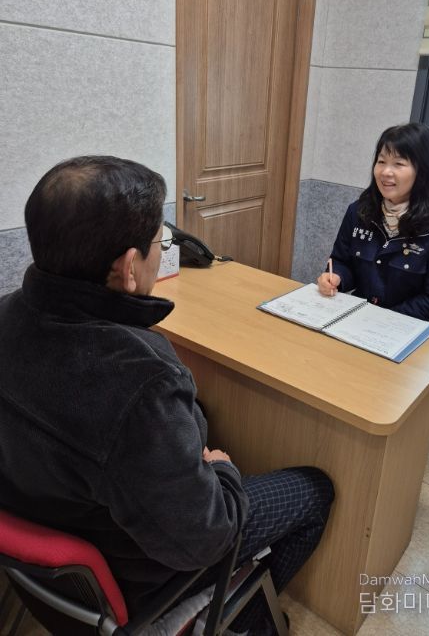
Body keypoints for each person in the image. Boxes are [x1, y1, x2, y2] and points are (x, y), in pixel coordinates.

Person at [0, 156, 334, 636]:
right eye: (162, 242)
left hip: (52, 557)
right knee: (315, 490)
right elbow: (207, 539)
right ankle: (243, 619)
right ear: (128, 267)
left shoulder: (7, 314)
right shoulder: (140, 381)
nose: (164, 252)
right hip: (136, 573)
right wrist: (223, 471)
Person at [317, 123, 429, 327]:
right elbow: (341, 260)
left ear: (423, 170)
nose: (386, 172)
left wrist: (378, 320)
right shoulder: (360, 211)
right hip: (359, 321)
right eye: (381, 162)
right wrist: (336, 276)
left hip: (409, 328)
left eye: (398, 163)